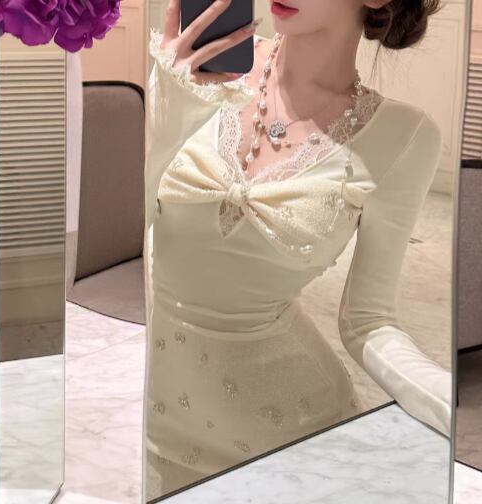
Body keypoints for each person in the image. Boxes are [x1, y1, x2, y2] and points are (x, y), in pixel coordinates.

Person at [142, 0, 451, 501]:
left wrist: (448, 401)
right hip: (156, 422)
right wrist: (169, 106)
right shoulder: (195, 71)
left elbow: (368, 321)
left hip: (293, 443)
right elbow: (128, 230)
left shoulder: (403, 137)